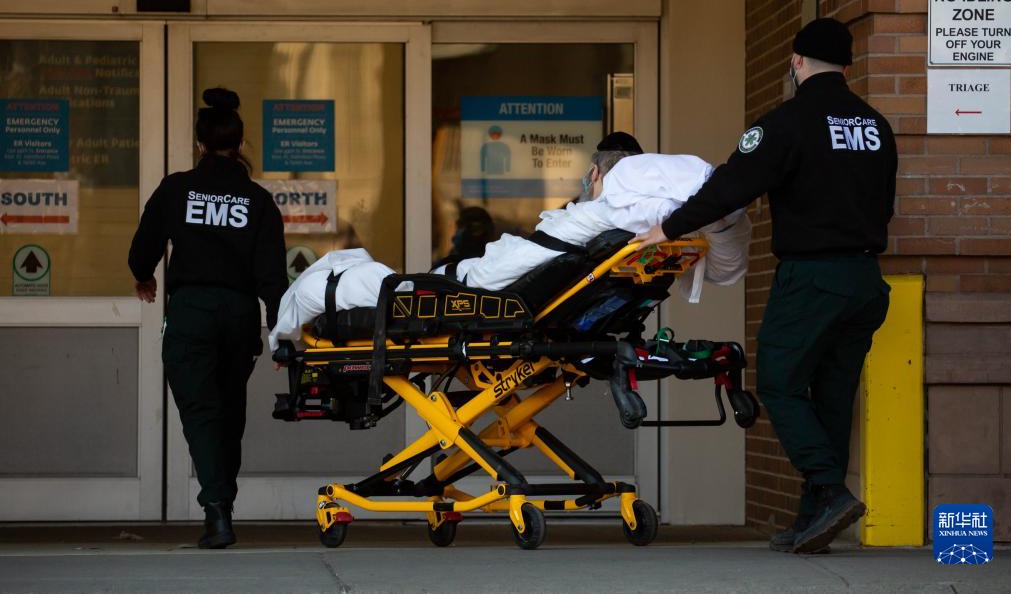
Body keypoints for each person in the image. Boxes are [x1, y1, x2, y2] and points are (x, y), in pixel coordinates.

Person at [631, 17, 897, 554]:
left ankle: (829, 492)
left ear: (796, 62)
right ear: (847, 68)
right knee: (832, 395)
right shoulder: (876, 127)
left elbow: (730, 187)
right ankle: (812, 518)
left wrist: (666, 229)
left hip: (813, 277)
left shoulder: (786, 122)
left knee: (778, 381)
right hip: (865, 279)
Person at [269, 150, 751, 354]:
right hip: (504, 287)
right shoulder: (634, 232)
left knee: (349, 277)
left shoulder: (609, 212)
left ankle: (290, 321)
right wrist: (711, 216)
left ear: (598, 176)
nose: (585, 183)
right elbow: (727, 261)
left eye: (589, 175)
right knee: (361, 270)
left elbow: (493, 276)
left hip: (482, 289)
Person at [128, 88, 288, 549]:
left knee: (202, 412)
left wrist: (144, 276)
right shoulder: (257, 200)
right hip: (239, 315)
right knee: (229, 411)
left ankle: (217, 511)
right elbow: (272, 277)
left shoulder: (177, 189)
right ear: (240, 144)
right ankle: (222, 505)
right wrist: (281, 334)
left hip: (192, 313)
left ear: (200, 143)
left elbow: (143, 248)